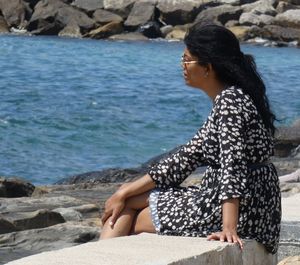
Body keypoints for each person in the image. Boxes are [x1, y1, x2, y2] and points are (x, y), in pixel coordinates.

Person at [100, 23, 281, 254]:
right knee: (125, 200)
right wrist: (124, 191)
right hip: (254, 204)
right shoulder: (234, 97)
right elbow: (185, 158)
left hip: (245, 210)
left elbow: (232, 165)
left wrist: (228, 227)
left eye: (187, 60)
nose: (182, 66)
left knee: (125, 212)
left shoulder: (229, 103)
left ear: (208, 67)